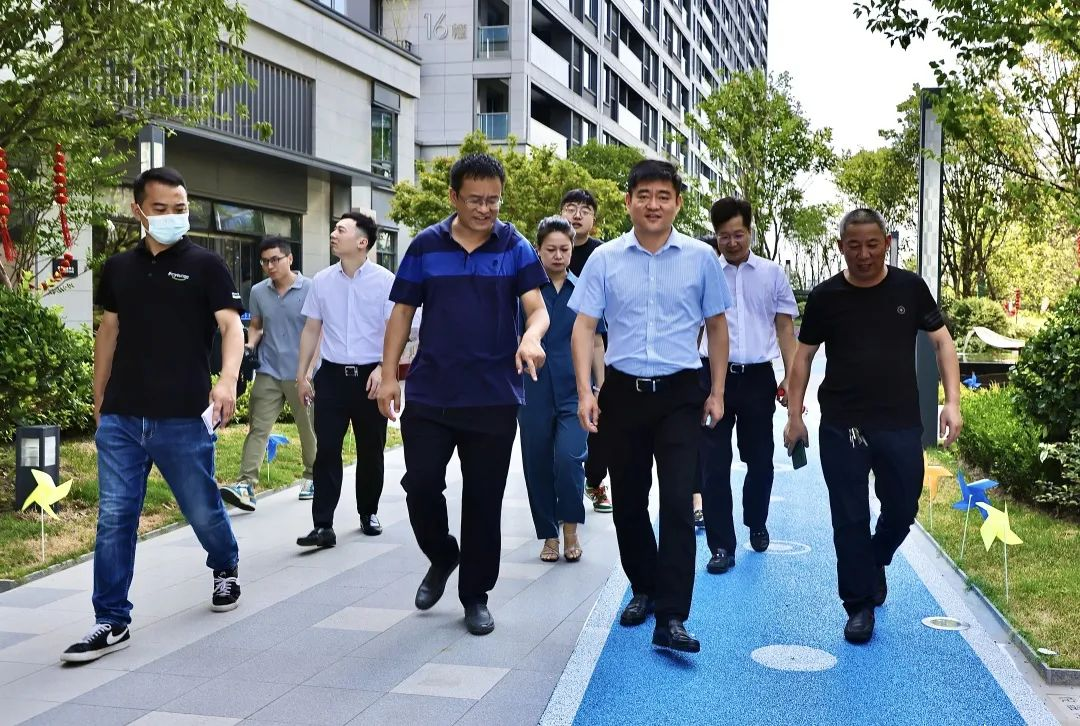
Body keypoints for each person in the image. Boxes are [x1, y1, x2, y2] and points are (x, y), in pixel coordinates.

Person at [62, 167, 244, 662]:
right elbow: (109, 331)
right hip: (123, 416)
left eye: (180, 208)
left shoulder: (207, 265)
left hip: (183, 415)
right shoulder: (119, 267)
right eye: (160, 209)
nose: (171, 216)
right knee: (115, 516)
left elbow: (231, 327)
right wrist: (99, 397)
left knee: (200, 507)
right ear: (138, 211)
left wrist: (227, 380)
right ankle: (110, 619)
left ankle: (225, 564)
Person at [378, 153, 549, 637]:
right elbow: (402, 313)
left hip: (493, 396)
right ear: (453, 197)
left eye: (493, 200)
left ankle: (475, 595)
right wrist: (389, 375)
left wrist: (531, 337)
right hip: (431, 392)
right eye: (475, 200)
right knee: (421, 485)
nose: (485, 209)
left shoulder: (514, 245)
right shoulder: (425, 245)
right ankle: (442, 553)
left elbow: (537, 310)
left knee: (483, 500)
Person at [569, 159, 732, 653]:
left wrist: (717, 391)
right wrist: (585, 392)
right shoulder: (605, 259)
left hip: (681, 395)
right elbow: (583, 327)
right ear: (628, 202)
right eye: (644, 195)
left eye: (664, 196)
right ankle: (644, 586)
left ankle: (673, 616)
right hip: (622, 394)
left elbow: (717, 327)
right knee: (629, 502)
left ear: (678, 203)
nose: (653, 204)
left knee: (679, 502)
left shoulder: (701, 258)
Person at [783, 208, 963, 645]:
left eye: (872, 245)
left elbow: (942, 341)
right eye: (854, 246)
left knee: (902, 507)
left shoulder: (909, 288)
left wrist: (952, 402)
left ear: (886, 244)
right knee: (849, 516)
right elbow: (803, 357)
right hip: (842, 423)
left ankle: (874, 558)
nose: (863, 254)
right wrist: (794, 416)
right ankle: (859, 605)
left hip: (899, 420)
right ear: (841, 247)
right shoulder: (826, 296)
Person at [697, 198, 798, 575]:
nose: (732, 242)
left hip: (757, 378)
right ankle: (721, 545)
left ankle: (756, 520)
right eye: (724, 236)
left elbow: (785, 328)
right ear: (716, 236)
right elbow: (694, 327)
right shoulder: (706, 272)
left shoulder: (772, 274)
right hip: (711, 378)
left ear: (750, 232)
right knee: (712, 465)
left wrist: (791, 377)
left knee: (760, 460)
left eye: (738, 234)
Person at [294, 212, 395, 548]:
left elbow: (396, 331)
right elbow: (312, 328)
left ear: (362, 241)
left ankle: (368, 512)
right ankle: (323, 525)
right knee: (326, 451)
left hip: (371, 377)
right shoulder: (322, 280)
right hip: (332, 377)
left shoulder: (385, 281)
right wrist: (302, 374)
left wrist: (384, 368)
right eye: (334, 228)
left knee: (371, 450)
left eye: (341, 229)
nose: (333, 234)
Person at [519, 216, 605, 563]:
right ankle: (549, 536)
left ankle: (571, 529)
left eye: (564, 249)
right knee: (537, 464)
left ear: (572, 250)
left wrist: (601, 387)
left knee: (570, 460)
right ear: (538, 250)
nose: (558, 256)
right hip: (532, 390)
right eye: (551, 249)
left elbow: (596, 341)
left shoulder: (585, 290)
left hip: (575, 392)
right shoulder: (526, 293)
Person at [219, 237, 317, 510]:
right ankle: (245, 485)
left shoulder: (311, 288)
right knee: (258, 428)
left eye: (275, 259)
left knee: (308, 428)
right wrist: (249, 346)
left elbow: (318, 331)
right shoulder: (259, 292)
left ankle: (313, 476)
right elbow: (257, 326)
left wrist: (308, 372)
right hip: (269, 369)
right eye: (264, 261)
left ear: (290, 259)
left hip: (301, 373)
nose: (270, 266)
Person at [561, 188, 612, 514]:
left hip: (597, 347)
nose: (577, 215)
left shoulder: (602, 255)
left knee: (599, 421)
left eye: (585, 210)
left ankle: (594, 482)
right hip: (554, 351)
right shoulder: (546, 252)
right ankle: (562, 489)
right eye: (570, 208)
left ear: (594, 219)